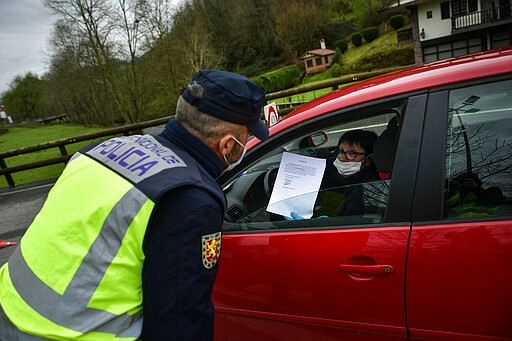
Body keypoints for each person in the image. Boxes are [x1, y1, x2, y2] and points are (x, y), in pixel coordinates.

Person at [0, 69, 268, 340]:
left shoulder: (99, 150)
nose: (246, 143)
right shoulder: (190, 200)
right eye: (246, 136)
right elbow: (178, 323)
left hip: (9, 312)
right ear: (226, 145)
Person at [317, 129, 379, 217]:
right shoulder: (332, 176)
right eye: (341, 151)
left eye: (351, 153)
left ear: (369, 159)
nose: (342, 158)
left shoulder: (366, 190)